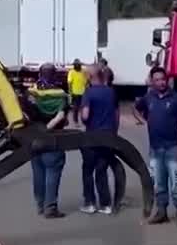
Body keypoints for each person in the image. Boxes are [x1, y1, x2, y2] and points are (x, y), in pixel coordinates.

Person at [133, 66, 177, 227]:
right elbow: (135, 108)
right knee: (158, 182)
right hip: (155, 148)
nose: (161, 82)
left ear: (167, 80)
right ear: (152, 81)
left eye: (163, 79)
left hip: (173, 147)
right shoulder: (149, 97)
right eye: (157, 80)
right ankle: (161, 212)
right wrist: (145, 122)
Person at [27, 64, 70, 218]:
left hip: (34, 137)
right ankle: (50, 207)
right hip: (53, 138)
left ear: (40, 74)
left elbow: (26, 115)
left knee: (38, 171)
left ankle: (40, 204)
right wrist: (48, 128)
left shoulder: (31, 93)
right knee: (53, 170)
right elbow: (61, 117)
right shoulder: (61, 95)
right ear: (55, 75)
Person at [80, 65, 121, 214]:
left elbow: (85, 115)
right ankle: (106, 204)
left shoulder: (89, 93)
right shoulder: (111, 92)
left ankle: (90, 203)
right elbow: (117, 115)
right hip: (109, 136)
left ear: (90, 77)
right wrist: (114, 132)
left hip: (93, 136)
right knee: (101, 170)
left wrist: (84, 121)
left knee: (88, 170)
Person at [66, 59, 87, 126]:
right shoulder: (71, 72)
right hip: (75, 93)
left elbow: (86, 82)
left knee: (83, 108)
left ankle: (84, 121)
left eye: (78, 64)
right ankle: (76, 121)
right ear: (74, 65)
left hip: (83, 93)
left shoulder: (83, 72)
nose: (77, 66)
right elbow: (69, 83)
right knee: (76, 108)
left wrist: (87, 89)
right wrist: (70, 92)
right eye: (76, 65)